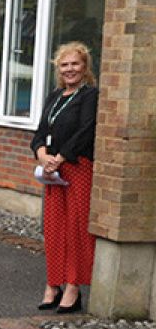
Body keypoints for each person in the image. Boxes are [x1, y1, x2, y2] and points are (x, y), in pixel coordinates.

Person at [30, 41, 99, 314]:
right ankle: (53, 284)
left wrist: (60, 157)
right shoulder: (55, 96)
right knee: (54, 229)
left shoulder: (89, 95)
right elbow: (39, 132)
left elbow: (86, 130)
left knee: (76, 230)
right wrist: (42, 155)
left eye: (75, 64)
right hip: (53, 173)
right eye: (64, 64)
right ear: (58, 68)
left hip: (77, 168)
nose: (69, 69)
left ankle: (73, 286)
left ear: (84, 67)